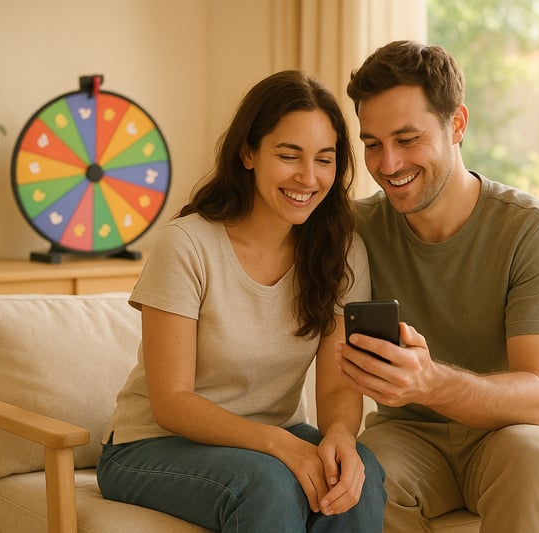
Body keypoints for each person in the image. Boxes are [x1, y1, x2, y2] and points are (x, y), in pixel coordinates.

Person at [97, 69, 386, 532]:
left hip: (272, 442)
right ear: (248, 152)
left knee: (359, 478)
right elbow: (172, 402)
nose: (308, 177)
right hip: (151, 445)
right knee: (268, 484)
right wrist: (276, 444)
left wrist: (339, 437)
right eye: (289, 155)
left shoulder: (341, 250)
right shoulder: (187, 244)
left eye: (325, 159)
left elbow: (336, 386)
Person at [336, 40, 539, 532]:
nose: (387, 164)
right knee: (362, 477)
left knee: (530, 455)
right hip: (408, 435)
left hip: (518, 430)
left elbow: (538, 397)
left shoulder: (535, 229)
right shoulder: (353, 229)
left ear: (457, 125)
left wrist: (429, 381)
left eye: (408, 139)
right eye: (372, 144)